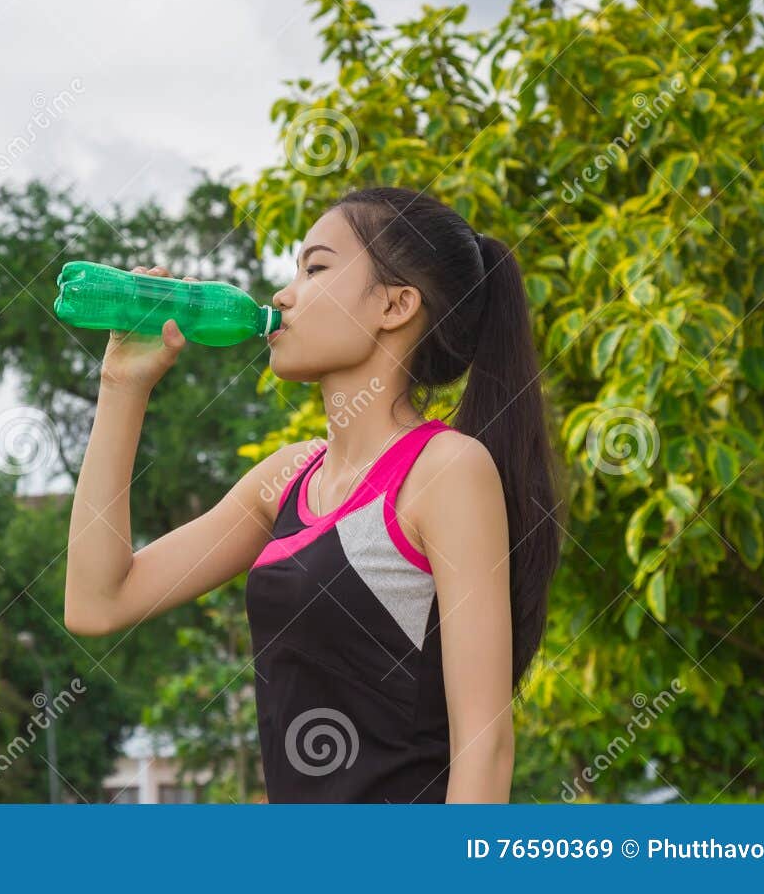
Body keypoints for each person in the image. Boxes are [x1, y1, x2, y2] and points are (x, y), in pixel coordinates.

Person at [64, 185, 564, 803]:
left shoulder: (446, 471)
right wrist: (122, 386)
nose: (283, 295)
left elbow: (484, 746)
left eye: (315, 269)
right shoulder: (287, 478)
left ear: (395, 304)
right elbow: (97, 603)